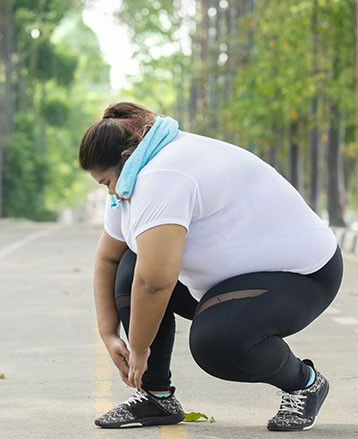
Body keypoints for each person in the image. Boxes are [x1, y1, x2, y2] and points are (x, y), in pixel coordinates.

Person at [78, 102, 343, 431]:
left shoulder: (163, 174)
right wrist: (108, 334)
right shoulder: (133, 178)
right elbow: (109, 258)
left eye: (106, 182)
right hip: (226, 280)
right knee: (131, 264)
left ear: (126, 159)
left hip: (303, 275)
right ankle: (156, 396)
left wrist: (139, 350)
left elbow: (155, 284)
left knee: (218, 343)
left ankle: (305, 383)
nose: (111, 192)